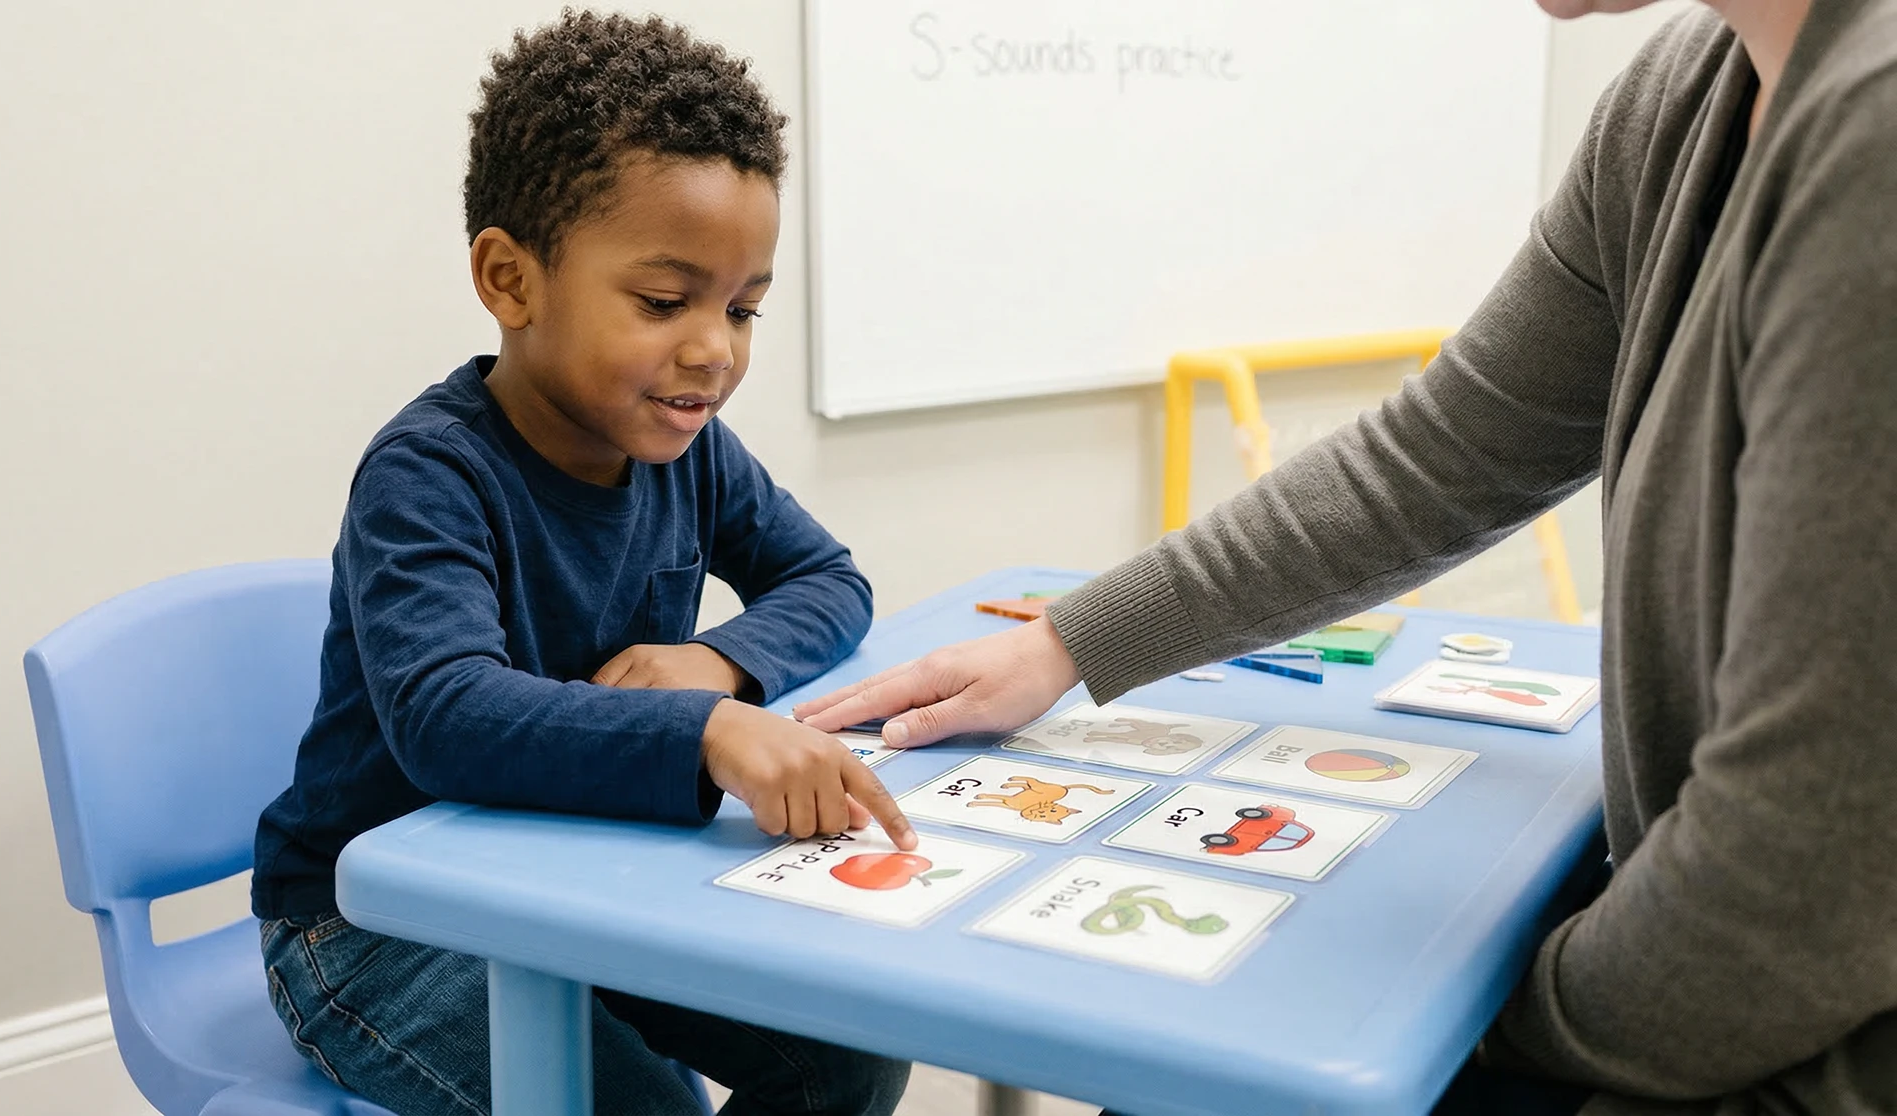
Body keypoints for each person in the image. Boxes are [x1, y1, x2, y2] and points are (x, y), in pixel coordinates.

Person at [799, 0, 1897, 1112]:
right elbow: (1439, 455)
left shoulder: (1873, 135)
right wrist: (1076, 639)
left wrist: (1458, 1030)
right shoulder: (1679, 97)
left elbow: (1796, 887)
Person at [250, 11, 914, 1115]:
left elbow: (830, 582)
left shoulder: (688, 451)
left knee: (849, 1051)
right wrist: (705, 733)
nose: (713, 347)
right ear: (511, 280)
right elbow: (445, 713)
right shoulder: (427, 474)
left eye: (741, 307)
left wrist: (720, 667)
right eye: (664, 302)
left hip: (568, 875)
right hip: (372, 926)